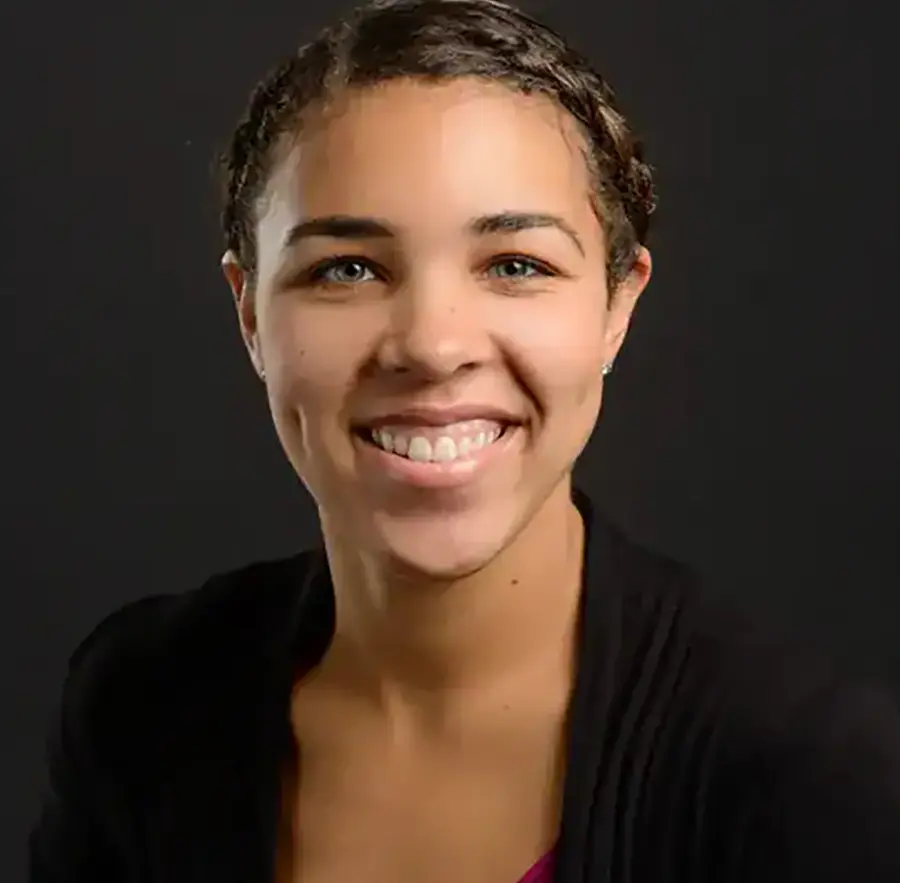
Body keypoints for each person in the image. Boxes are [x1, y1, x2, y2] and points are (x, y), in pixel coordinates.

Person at [29, 0, 900, 880]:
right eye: (347, 269)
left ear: (617, 306)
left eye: (516, 265)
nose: (433, 345)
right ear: (250, 314)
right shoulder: (137, 709)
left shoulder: (810, 781)